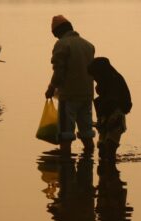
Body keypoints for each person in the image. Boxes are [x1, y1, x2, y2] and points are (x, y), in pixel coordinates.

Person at [45, 15, 96, 156]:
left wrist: (51, 88)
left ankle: (66, 167)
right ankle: (89, 160)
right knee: (87, 132)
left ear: (57, 32)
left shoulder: (62, 44)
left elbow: (59, 71)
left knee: (65, 134)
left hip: (69, 96)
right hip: (87, 95)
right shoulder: (88, 45)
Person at [87, 57, 132, 160]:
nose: (94, 79)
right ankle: (107, 172)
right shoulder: (104, 83)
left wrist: (112, 118)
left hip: (116, 118)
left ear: (101, 72)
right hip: (105, 118)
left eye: (95, 76)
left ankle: (110, 172)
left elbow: (121, 104)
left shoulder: (115, 81)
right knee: (102, 148)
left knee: (110, 146)